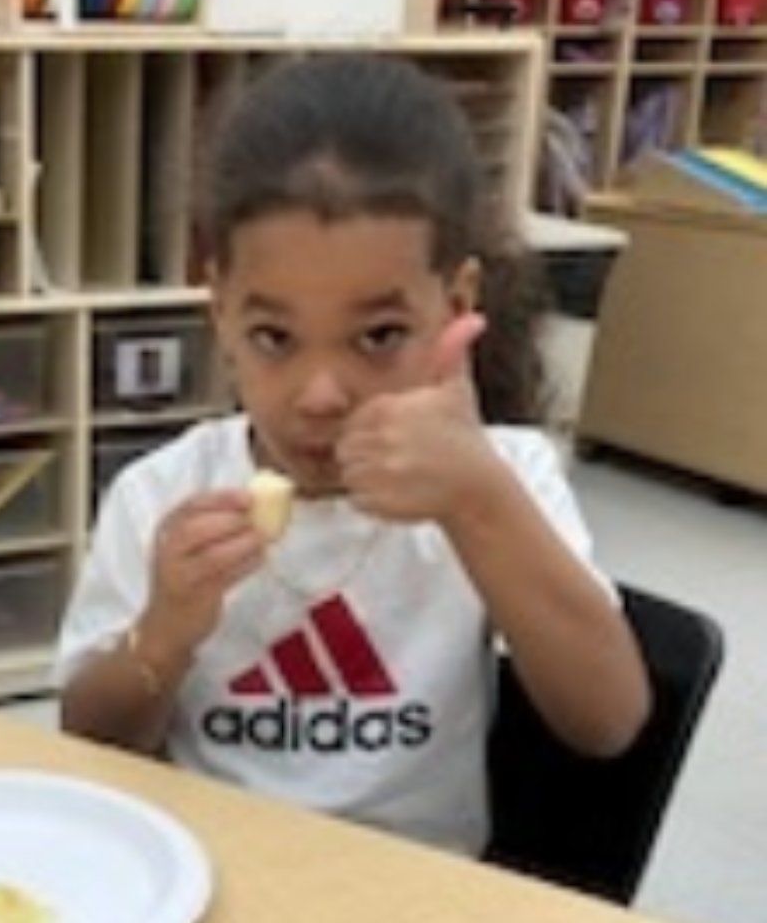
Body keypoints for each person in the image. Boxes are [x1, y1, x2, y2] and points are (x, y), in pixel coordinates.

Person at [55, 54, 650, 856]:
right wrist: (163, 633)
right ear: (221, 311)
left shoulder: (504, 476)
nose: (321, 395)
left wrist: (478, 501)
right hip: (214, 868)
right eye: (274, 337)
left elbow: (608, 723)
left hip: (413, 886)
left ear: (457, 306)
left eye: (379, 336)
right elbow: (89, 742)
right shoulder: (161, 494)